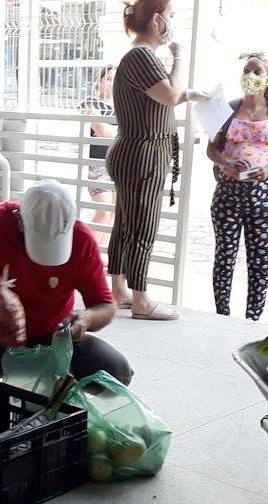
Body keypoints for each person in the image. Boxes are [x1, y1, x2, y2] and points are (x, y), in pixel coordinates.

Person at [0, 179, 132, 389]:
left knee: (115, 370)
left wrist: (87, 318)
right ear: (19, 218)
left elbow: (106, 305)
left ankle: (57, 397)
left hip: (53, 342)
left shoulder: (82, 240)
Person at [107, 0, 203, 321]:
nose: (174, 23)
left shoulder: (141, 57)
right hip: (142, 153)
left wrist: (189, 94)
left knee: (126, 223)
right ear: (158, 20)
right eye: (172, 17)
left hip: (137, 151)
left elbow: (162, 98)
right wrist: (179, 57)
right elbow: (169, 96)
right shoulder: (141, 56)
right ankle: (141, 299)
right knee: (142, 224)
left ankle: (120, 290)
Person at [206, 52, 268, 321]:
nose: (250, 77)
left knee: (260, 261)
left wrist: (266, 170)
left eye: (257, 71)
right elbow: (211, 149)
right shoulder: (227, 110)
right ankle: (222, 314)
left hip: (262, 199)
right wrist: (227, 162)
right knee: (225, 257)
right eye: (246, 71)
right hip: (227, 196)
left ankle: (252, 318)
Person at [79, 65, 117, 245]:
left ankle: (100, 255)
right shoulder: (89, 103)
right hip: (96, 164)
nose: (111, 84)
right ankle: (88, 255)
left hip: (117, 163)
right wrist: (125, 131)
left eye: (115, 80)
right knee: (103, 210)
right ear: (100, 80)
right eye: (108, 78)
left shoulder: (123, 106)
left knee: (114, 212)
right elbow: (102, 131)